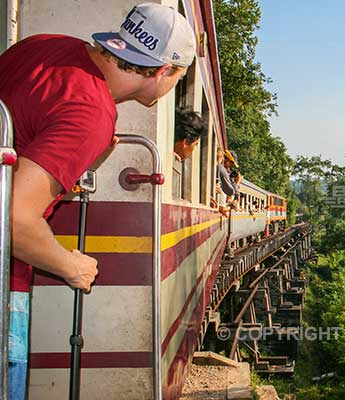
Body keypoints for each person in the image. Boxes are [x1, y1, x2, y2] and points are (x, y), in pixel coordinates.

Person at [0, 3, 195, 398]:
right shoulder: (91, 113)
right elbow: (13, 221)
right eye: (178, 77)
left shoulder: (43, 46)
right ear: (162, 71)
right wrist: (69, 265)